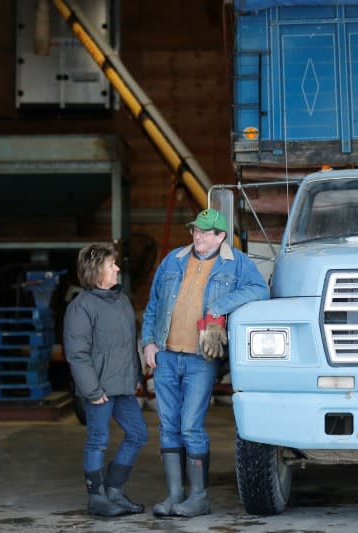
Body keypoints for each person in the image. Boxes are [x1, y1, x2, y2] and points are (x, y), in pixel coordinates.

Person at [142, 207, 269, 517]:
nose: (197, 235)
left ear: (220, 235)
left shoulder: (236, 263)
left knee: (190, 427)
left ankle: (199, 497)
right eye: (195, 230)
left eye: (204, 231)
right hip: (167, 355)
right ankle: (174, 495)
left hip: (200, 359)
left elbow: (260, 290)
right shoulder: (174, 260)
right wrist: (148, 343)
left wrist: (218, 307)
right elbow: (153, 304)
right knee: (168, 426)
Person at [63, 243, 149, 516]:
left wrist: (135, 376)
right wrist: (91, 389)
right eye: (112, 265)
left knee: (138, 434)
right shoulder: (81, 307)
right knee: (98, 440)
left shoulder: (121, 300)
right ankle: (96, 498)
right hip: (99, 388)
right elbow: (77, 354)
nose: (118, 269)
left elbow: (128, 344)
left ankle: (114, 490)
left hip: (122, 386)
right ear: (96, 270)